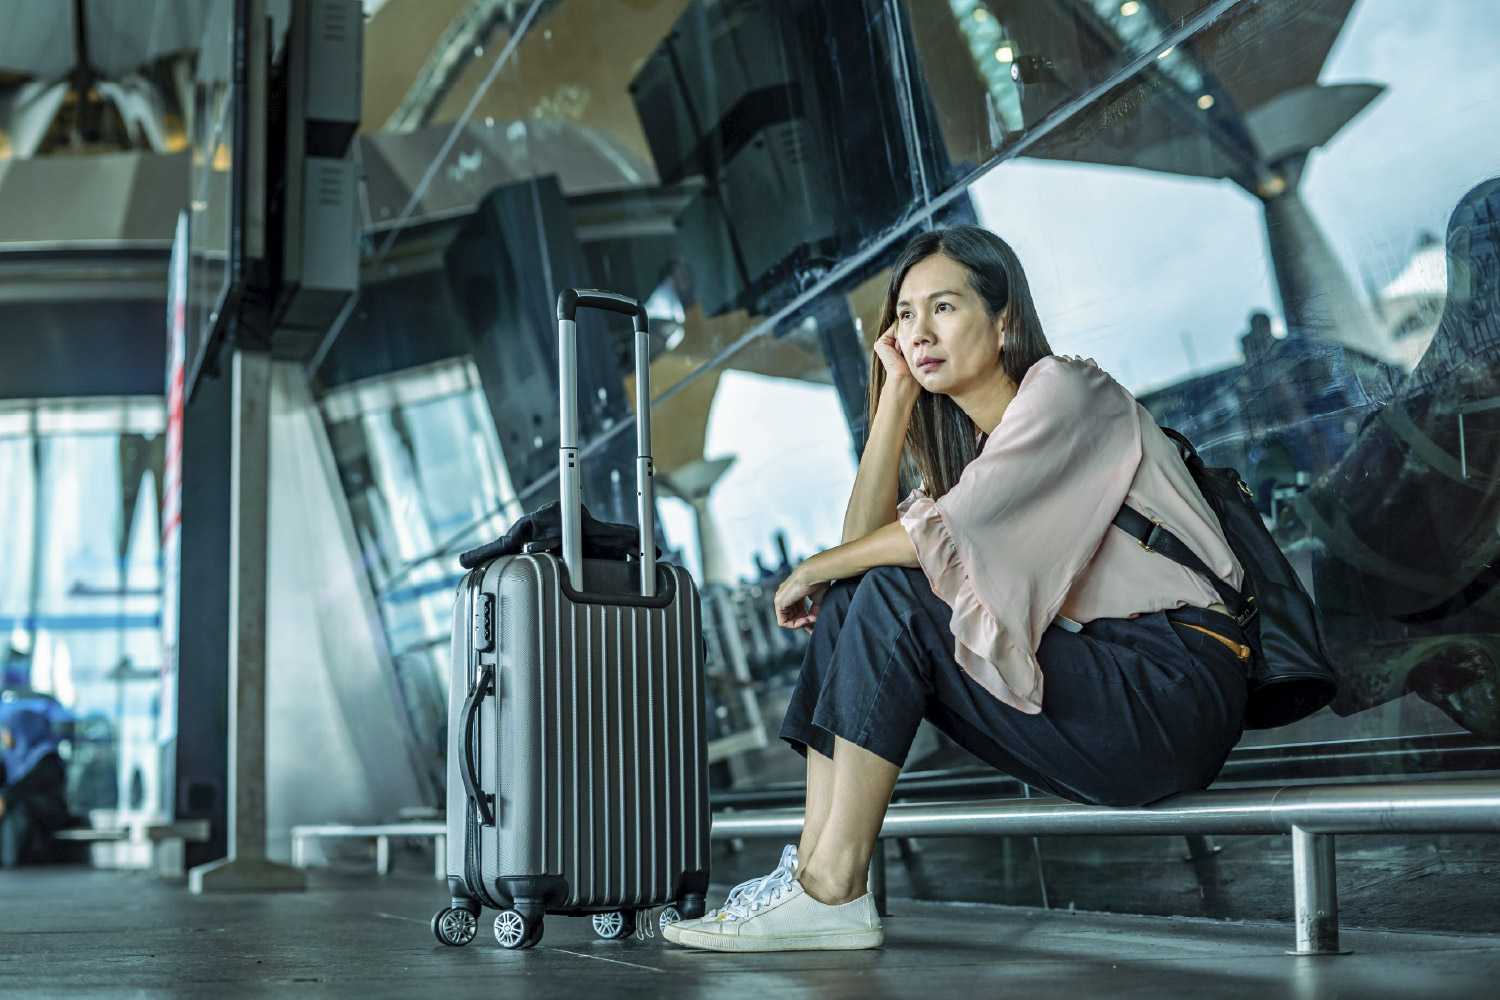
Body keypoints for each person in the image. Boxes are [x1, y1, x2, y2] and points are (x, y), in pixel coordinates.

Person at [663, 225, 1249, 953]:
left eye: (942, 307)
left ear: (1003, 320)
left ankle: (833, 887)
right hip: (1104, 685)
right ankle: (812, 876)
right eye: (906, 315)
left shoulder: (1069, 391)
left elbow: (913, 542)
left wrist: (812, 566)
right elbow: (858, 559)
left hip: (1173, 687)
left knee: (886, 592)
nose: (918, 332)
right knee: (855, 598)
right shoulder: (974, 461)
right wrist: (895, 397)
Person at [1, 708, 69, 868]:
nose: (3, 736)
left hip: (44, 817)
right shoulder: (10, 758)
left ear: (21, 730)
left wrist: (5, 800)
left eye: (6, 731)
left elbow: (28, 785)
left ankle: (11, 865)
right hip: (20, 812)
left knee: (18, 809)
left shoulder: (47, 757)